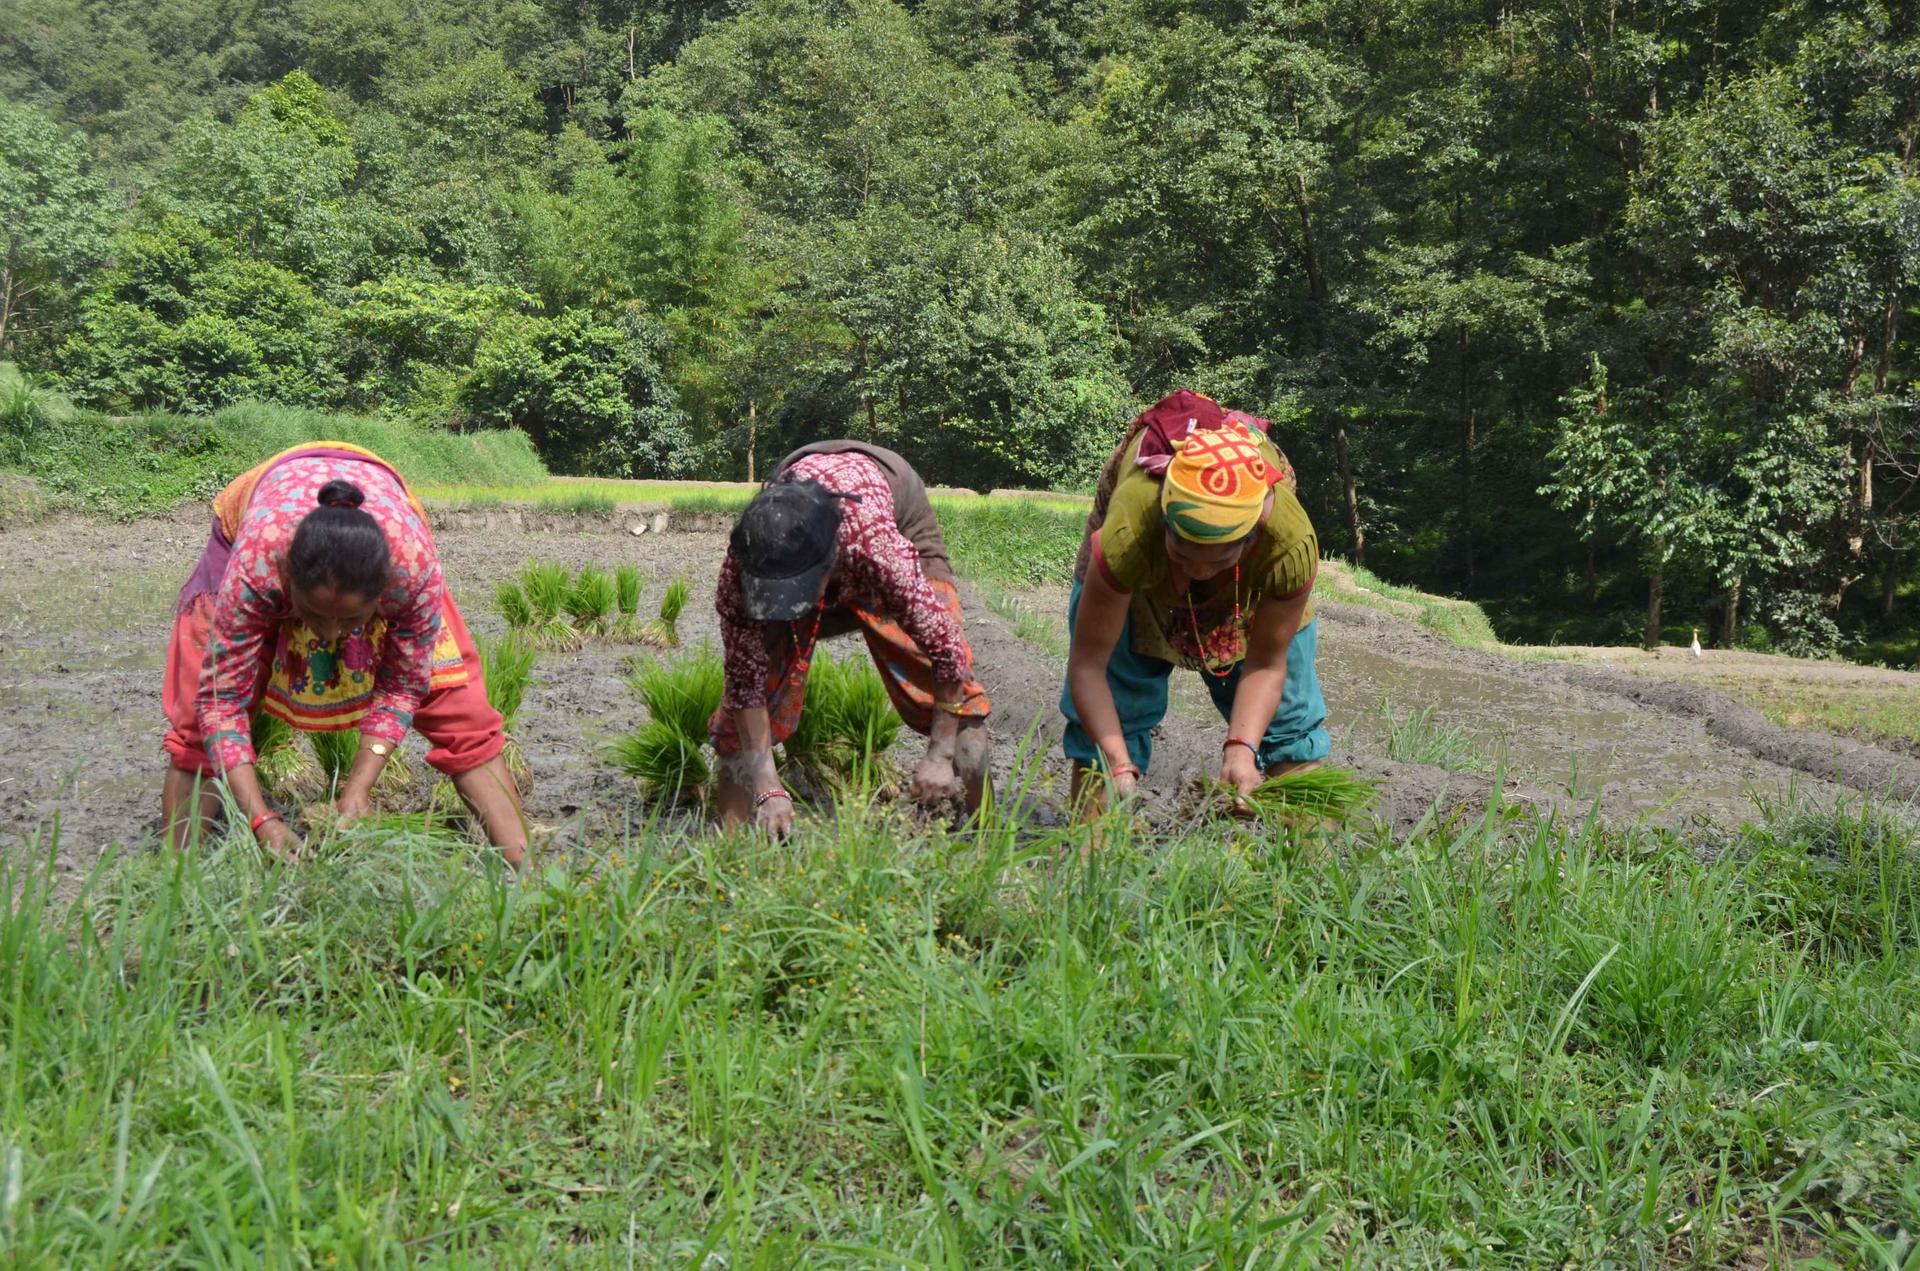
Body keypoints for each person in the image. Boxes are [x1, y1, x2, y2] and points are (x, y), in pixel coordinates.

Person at [161, 442, 529, 867]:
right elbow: (221, 703)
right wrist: (263, 819)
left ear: (383, 595)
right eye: (315, 615)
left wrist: (358, 790)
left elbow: (402, 688)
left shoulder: (412, 570)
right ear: (286, 581)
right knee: (196, 717)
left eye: (351, 621)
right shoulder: (258, 567)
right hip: (257, 529)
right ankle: (174, 878)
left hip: (387, 536)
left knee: (459, 710)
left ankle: (530, 877)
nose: (330, 635)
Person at [1061, 390, 1328, 817]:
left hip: (1248, 592)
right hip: (1138, 583)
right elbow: (1089, 664)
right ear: (1163, 520)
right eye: (1181, 555)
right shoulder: (1129, 534)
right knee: (1111, 715)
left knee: (1290, 730)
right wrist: (1115, 759)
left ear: (1252, 538)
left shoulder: (1287, 544)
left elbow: (1266, 665)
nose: (1196, 575)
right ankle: (1094, 861)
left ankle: (1312, 875)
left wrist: (1241, 749)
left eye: (1217, 561)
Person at [712, 441, 992, 836]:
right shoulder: (744, 567)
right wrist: (767, 786)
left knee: (948, 692)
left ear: (830, 567)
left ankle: (985, 840)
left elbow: (947, 649)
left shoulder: (878, 549)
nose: (784, 606)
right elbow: (745, 684)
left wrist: (939, 753)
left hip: (893, 511)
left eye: (795, 595)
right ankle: (733, 846)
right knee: (740, 711)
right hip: (800, 545)